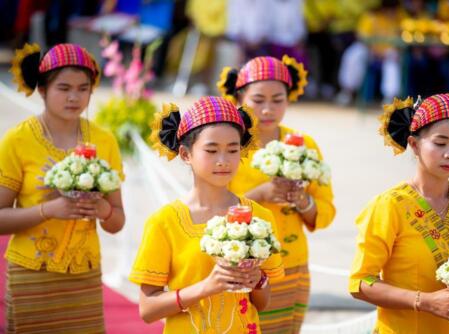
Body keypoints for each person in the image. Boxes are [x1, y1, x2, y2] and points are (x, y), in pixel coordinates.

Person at [129, 96, 284, 333]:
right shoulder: (164, 222)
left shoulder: (259, 218)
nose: (223, 161)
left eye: (232, 150)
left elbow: (262, 304)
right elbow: (147, 309)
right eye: (211, 150)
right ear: (185, 154)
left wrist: (258, 281)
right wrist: (207, 287)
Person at [0, 43, 125, 333]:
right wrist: (49, 209)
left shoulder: (104, 141)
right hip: (32, 271)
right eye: (64, 88)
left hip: (84, 271)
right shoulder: (17, 141)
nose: (74, 97)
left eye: (83, 88)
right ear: (42, 90)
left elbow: (117, 222)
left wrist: (104, 209)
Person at [350, 93, 449, 333]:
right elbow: (360, 282)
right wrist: (425, 301)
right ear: (415, 144)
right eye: (440, 143)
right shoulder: (389, 206)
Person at [218, 56, 336, 333]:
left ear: (289, 98)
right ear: (239, 97)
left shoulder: (305, 145)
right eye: (258, 99)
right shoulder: (228, 144)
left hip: (291, 263)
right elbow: (210, 209)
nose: (268, 109)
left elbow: (326, 209)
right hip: (242, 265)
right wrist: (260, 193)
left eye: (278, 99)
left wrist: (303, 201)